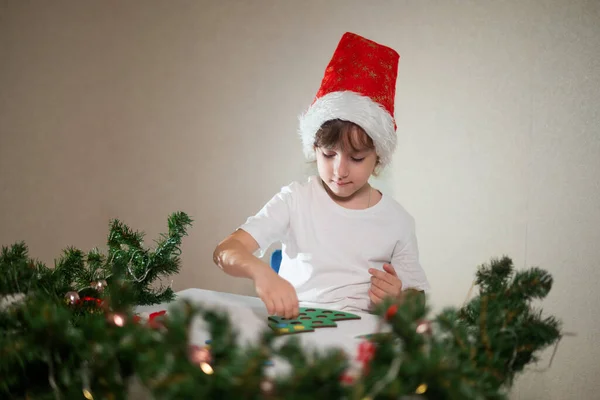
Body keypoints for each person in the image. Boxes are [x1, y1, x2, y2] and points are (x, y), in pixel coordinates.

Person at [213, 32, 430, 319]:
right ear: (314, 148)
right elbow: (226, 250)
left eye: (356, 158)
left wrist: (400, 299)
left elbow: (418, 296)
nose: (339, 171)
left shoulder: (398, 221)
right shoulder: (296, 200)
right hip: (299, 335)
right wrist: (261, 273)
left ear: (378, 157)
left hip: (361, 341)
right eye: (328, 155)